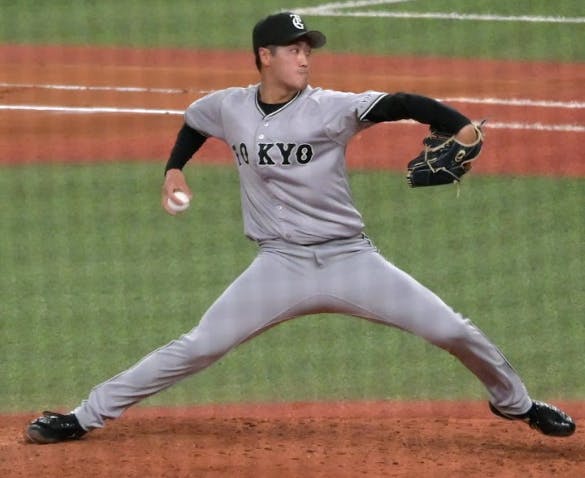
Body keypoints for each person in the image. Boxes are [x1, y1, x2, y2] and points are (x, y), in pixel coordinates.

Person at [26, 11, 575, 444]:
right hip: (278, 266)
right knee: (198, 346)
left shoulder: (330, 108)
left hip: (350, 260)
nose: (304, 58)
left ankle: (517, 404)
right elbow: (194, 123)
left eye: (308, 49)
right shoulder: (229, 107)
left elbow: (400, 103)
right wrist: (174, 168)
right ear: (264, 56)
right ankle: (83, 416)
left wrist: (461, 127)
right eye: (293, 49)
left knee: (453, 331)